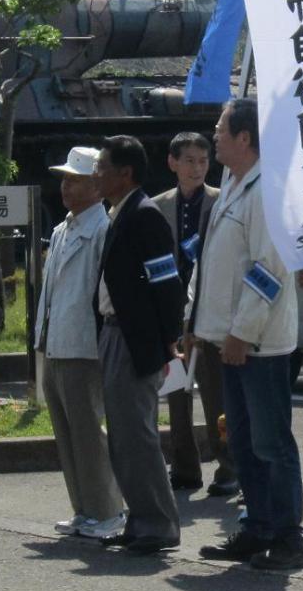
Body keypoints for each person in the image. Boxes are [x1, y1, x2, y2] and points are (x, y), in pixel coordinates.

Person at [194, 100, 303, 572]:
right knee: (242, 441)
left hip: (258, 344)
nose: (214, 136)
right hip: (229, 341)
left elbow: (269, 270)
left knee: (270, 442)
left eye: (221, 129)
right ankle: (257, 526)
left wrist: (241, 332)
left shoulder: (266, 191)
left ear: (244, 138)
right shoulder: (237, 186)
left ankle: (287, 536)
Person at [92, 134, 186, 555]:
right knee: (123, 435)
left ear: (124, 172)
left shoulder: (144, 216)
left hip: (136, 338)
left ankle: (159, 524)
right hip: (115, 332)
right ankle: (140, 518)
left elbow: (167, 284)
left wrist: (170, 340)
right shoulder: (119, 212)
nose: (95, 175)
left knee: (137, 434)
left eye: (101, 167)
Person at [34, 146, 126, 540]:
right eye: (64, 179)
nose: (66, 187)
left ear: (96, 185)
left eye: (74, 179)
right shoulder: (62, 229)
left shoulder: (103, 230)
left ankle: (106, 510)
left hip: (83, 344)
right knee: (67, 430)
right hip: (55, 341)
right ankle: (84, 508)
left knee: (88, 431)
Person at [152, 130, 236, 497]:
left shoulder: (222, 202)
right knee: (176, 394)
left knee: (217, 395)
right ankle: (185, 468)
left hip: (209, 310)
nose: (197, 168)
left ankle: (228, 467)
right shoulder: (158, 205)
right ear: (173, 163)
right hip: (172, 312)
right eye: (189, 160)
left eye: (203, 161)